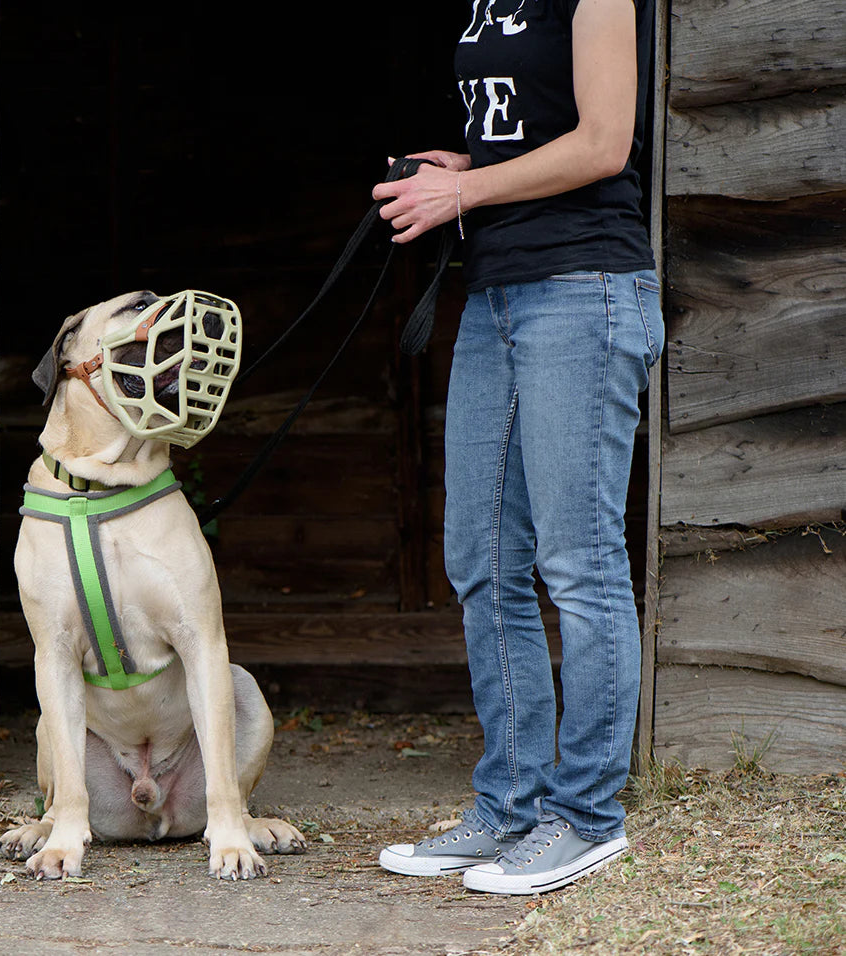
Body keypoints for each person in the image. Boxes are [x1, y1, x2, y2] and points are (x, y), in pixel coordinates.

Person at [372, 0, 663, 895]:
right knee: (483, 561)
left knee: (579, 561)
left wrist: (462, 193)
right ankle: (510, 804)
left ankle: (587, 818)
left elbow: (603, 143)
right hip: (496, 290)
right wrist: (465, 165)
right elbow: (534, 128)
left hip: (585, 285)